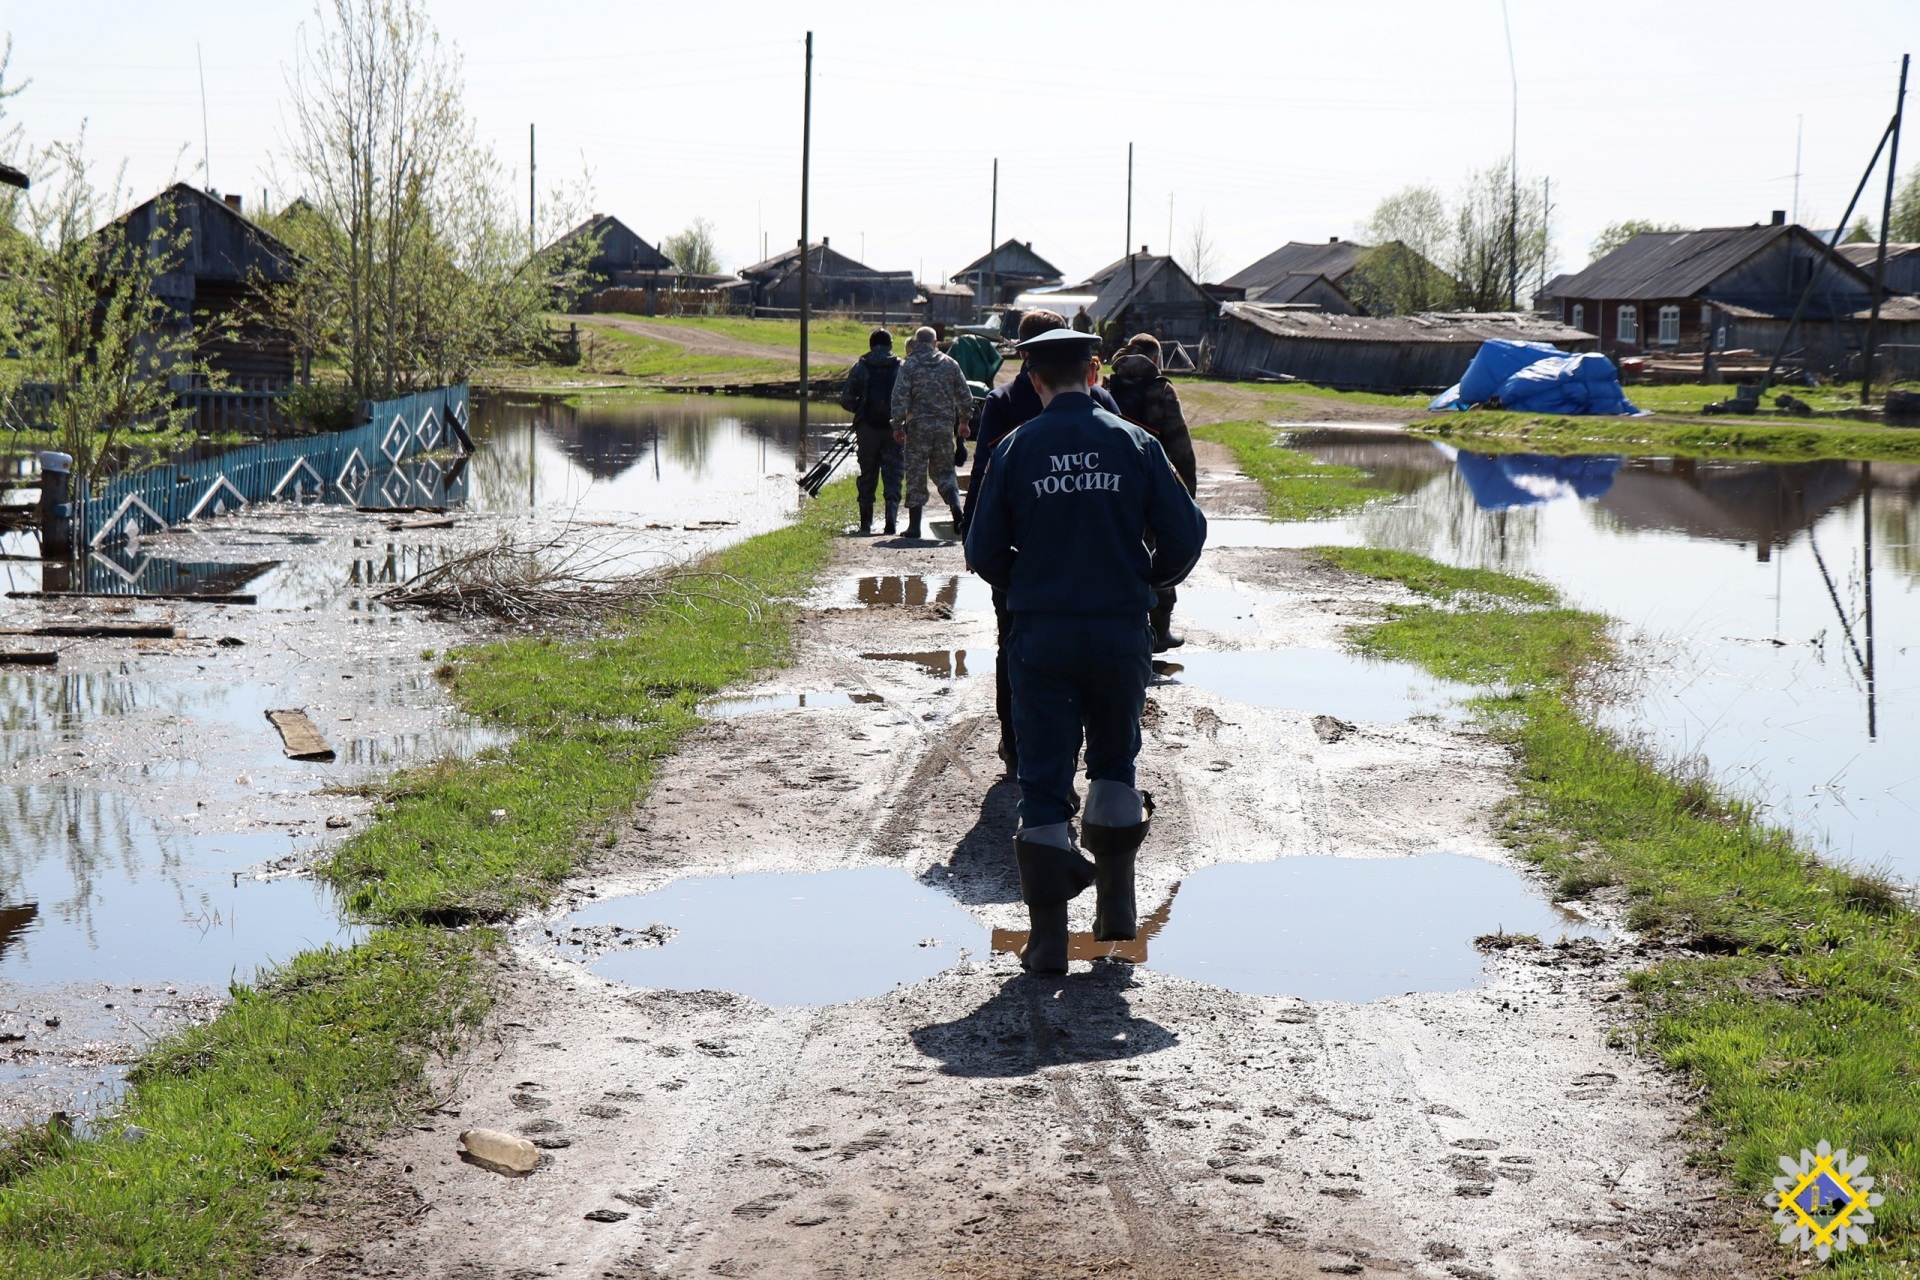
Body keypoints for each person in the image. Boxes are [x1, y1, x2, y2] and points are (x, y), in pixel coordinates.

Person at [964, 328, 1207, 976]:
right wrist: (1151, 582)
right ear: (1094, 370)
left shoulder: (1014, 449)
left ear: (1035, 380)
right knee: (1112, 762)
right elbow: (1188, 532)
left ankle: (1047, 942)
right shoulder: (1136, 444)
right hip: (1119, 632)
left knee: (1043, 777)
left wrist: (1032, 586)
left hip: (1041, 635)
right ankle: (1117, 911)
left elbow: (982, 551)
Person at [961, 310, 1124, 775]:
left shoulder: (1003, 401)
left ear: (1024, 351)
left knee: (1013, 646)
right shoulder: (1101, 402)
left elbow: (984, 476)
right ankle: (1090, 757)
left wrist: (977, 540)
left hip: (1021, 561)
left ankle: (1016, 750)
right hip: (1095, 558)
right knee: (1090, 650)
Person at [1104, 333, 1200, 651]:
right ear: (1156, 359)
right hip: (1152, 488)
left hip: (1111, 489)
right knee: (1158, 555)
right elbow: (1180, 445)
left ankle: (1118, 626)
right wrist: (1188, 495)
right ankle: (1159, 632)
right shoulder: (1162, 390)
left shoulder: (1108, 386)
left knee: (1116, 554)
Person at [889, 326, 972, 540]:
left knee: (916, 473)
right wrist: (964, 422)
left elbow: (900, 397)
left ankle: (914, 527)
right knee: (944, 472)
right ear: (935, 343)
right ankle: (956, 507)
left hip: (917, 428)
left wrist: (897, 425)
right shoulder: (950, 364)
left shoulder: (909, 365)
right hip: (944, 427)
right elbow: (965, 395)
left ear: (916, 343)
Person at [836, 328, 903, 535]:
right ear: (890, 345)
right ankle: (891, 519)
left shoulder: (861, 367)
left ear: (871, 345)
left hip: (867, 430)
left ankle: (865, 523)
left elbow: (846, 399)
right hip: (895, 429)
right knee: (893, 474)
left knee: (867, 474)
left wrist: (861, 410)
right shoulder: (901, 366)